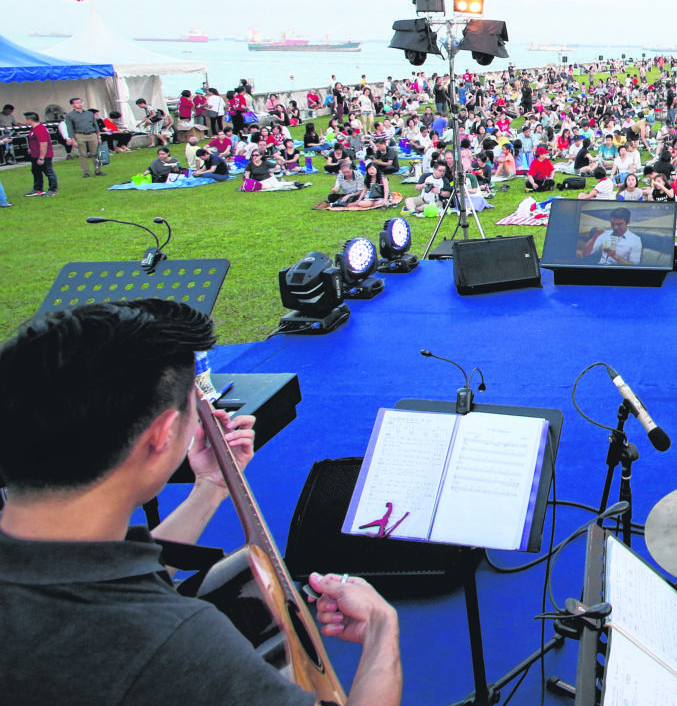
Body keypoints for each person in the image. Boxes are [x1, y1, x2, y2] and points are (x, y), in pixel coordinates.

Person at [0, 300, 402, 706]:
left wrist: (209, 486)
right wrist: (381, 629)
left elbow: (102, 574)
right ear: (162, 434)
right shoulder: (176, 643)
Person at [578, 206, 644, 265]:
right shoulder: (605, 234)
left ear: (628, 222)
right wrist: (595, 236)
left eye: (619, 224)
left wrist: (615, 257)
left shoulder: (635, 240)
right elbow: (585, 253)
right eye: (612, 224)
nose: (615, 227)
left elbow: (635, 265)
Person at [62, 96, 102, 178]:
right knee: (82, 154)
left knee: (95, 153)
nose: (79, 104)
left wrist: (98, 136)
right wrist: (72, 139)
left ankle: (98, 170)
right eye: (77, 103)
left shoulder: (89, 114)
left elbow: (95, 125)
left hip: (92, 134)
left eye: (80, 102)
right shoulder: (70, 115)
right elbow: (70, 127)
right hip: (79, 134)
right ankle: (86, 172)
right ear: (72, 105)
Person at [23, 111, 57, 197]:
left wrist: (41, 157)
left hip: (44, 155)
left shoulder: (40, 129)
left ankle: (53, 189)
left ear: (30, 120)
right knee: (36, 171)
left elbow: (43, 144)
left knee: (48, 171)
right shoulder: (33, 129)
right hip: (35, 155)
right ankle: (38, 188)